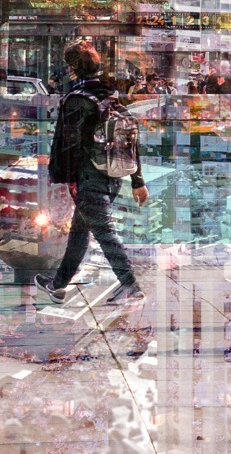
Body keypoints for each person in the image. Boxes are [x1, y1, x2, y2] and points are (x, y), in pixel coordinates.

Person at [38, 40, 150, 308]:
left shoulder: (76, 100)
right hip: (113, 174)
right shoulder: (110, 95)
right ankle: (57, 285)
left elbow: (67, 145)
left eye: (69, 65)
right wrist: (137, 181)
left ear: (74, 68)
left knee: (103, 231)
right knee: (80, 230)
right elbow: (132, 141)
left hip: (88, 177)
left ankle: (130, 285)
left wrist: (61, 176)